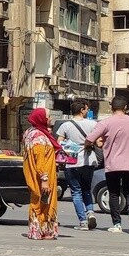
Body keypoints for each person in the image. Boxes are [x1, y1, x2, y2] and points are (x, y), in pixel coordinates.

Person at [91, 96, 129, 234]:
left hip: (113, 164)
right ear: (126, 108)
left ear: (111, 107)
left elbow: (90, 138)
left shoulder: (105, 123)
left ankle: (117, 224)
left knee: (114, 194)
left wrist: (97, 142)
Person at [55, 101, 99, 230]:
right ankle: (90, 212)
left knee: (76, 191)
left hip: (72, 162)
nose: (87, 111)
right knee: (86, 189)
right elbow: (99, 143)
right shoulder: (93, 124)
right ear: (81, 110)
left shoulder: (65, 125)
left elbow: (59, 143)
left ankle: (83, 221)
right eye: (86, 109)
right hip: (88, 160)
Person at [21, 107, 61, 240]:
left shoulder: (30, 132)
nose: (50, 119)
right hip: (42, 177)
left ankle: (40, 230)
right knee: (42, 203)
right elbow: (40, 159)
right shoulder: (39, 137)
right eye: (48, 117)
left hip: (35, 175)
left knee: (39, 201)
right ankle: (40, 231)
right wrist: (44, 178)